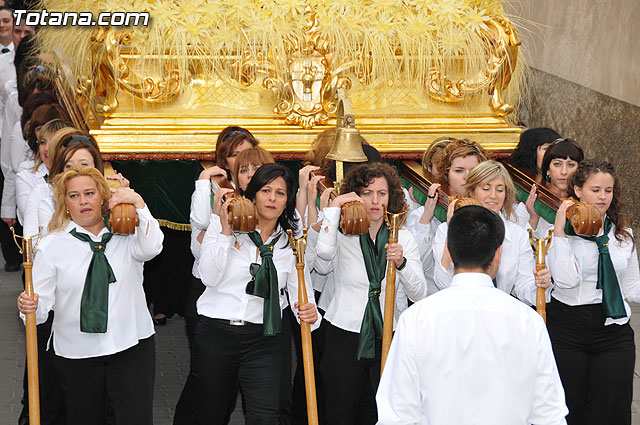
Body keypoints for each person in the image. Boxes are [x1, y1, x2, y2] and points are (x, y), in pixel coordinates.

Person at [376, 205, 568, 425]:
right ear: (498, 254)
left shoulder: (417, 318)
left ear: (448, 250)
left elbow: (397, 413)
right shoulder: (527, 320)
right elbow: (549, 413)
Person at [17, 166, 164, 425]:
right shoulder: (52, 246)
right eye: (74, 196)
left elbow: (153, 246)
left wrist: (139, 204)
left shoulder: (126, 232)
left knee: (136, 419)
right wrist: (28, 306)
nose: (83, 201)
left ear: (103, 197)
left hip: (131, 345)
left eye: (89, 193)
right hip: (77, 352)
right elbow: (39, 311)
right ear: (65, 204)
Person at [189, 163, 319, 424]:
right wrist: (225, 232)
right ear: (253, 194)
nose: (272, 198)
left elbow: (299, 293)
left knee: (265, 416)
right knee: (210, 414)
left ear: (287, 201)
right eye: (266, 190)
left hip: (263, 338)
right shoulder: (222, 225)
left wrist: (308, 312)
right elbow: (209, 277)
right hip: (216, 333)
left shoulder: (290, 243)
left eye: (280, 193)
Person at [316, 162, 427, 425]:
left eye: (381, 193)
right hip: (344, 332)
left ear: (391, 198)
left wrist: (402, 264)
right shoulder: (343, 234)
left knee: (380, 414)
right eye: (367, 193)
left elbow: (420, 293)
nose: (375, 201)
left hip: (388, 333)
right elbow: (322, 259)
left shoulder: (403, 237)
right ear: (356, 196)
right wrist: (333, 209)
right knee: (339, 413)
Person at [547, 160, 640, 425]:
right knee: (571, 405)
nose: (602, 197)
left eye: (608, 190)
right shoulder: (561, 232)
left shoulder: (623, 234)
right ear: (577, 190)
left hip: (614, 328)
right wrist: (560, 232)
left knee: (614, 405)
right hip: (568, 326)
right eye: (595, 189)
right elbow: (564, 281)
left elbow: (632, 288)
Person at [433, 160, 550, 303]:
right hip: (461, 309)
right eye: (486, 188)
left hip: (499, 313)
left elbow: (523, 288)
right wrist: (453, 231)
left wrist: (539, 285)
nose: (493, 196)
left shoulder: (518, 235)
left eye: (500, 190)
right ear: (471, 191)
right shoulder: (445, 229)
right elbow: (442, 282)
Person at [405, 138, 488, 296]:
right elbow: (421, 268)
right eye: (459, 171)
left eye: (474, 170)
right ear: (446, 174)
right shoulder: (424, 214)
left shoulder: (495, 208)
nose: (467, 176)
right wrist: (427, 219)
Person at [516, 137, 584, 237]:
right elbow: (517, 245)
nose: (564, 172)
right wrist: (533, 218)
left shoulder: (585, 202)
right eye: (557, 164)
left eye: (571, 165)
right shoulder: (533, 200)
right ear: (548, 169)